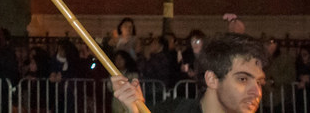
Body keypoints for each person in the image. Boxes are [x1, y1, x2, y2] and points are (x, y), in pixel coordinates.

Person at [112, 33, 268, 113]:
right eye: (242, 79)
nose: (257, 92)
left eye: (259, 82)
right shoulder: (172, 111)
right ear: (212, 79)